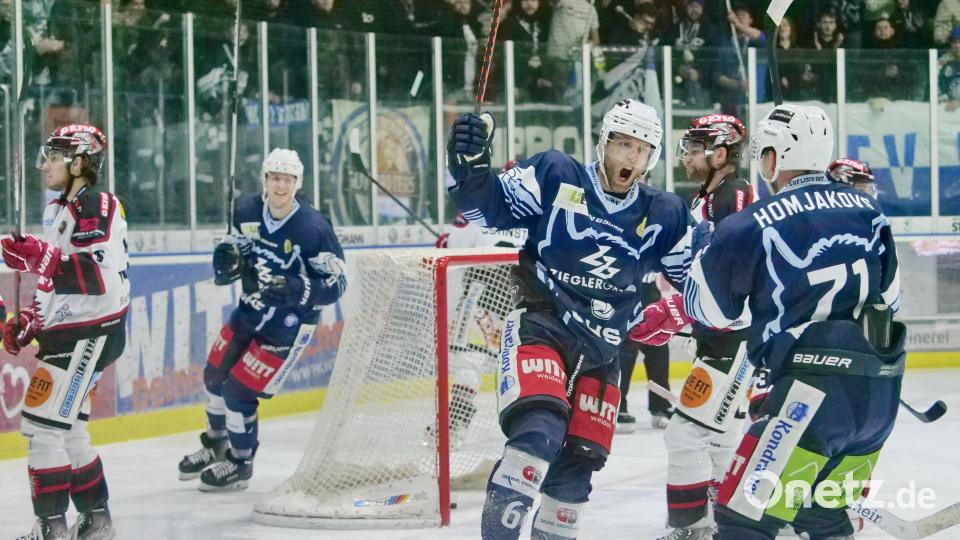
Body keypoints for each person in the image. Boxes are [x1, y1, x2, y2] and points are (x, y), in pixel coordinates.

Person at [632, 103, 903, 540]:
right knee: (820, 518)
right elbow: (891, 299)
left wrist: (707, 261)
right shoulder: (871, 214)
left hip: (808, 400)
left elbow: (714, 311)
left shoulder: (751, 222)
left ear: (773, 158)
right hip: (880, 398)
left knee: (742, 521)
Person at [446, 99, 691, 539]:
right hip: (544, 326)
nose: (629, 158)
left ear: (652, 157)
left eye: (640, 149)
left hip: (603, 353)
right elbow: (488, 211)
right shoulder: (557, 173)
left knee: (578, 470)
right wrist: (471, 167)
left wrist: (681, 306)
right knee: (536, 436)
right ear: (604, 143)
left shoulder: (665, 213)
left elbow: (702, 279)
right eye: (622, 144)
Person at [178, 148, 347, 491]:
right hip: (249, 310)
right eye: (274, 178)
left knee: (238, 393)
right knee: (214, 375)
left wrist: (299, 289)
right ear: (265, 180)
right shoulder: (246, 210)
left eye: (287, 179)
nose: (280, 185)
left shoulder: (314, 227)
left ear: (297, 183)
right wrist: (227, 261)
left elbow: (338, 283)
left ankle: (241, 462)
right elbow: (237, 250)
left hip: (287, 325)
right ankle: (216, 445)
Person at [2, 124, 128, 540]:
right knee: (70, 430)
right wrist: (31, 322)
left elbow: (98, 279)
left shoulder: (97, 203)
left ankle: (50, 529)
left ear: (80, 163)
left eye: (56, 156)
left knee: (42, 430)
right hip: (74, 335)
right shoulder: (61, 210)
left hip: (88, 336)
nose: (47, 164)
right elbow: (57, 281)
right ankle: (97, 520)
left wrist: (40, 257)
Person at [633, 113, 754, 540]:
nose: (686, 157)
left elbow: (733, 271)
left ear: (720, 154)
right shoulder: (704, 201)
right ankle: (725, 522)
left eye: (694, 149)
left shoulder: (734, 195)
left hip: (733, 341)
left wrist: (679, 310)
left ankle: (690, 527)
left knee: (685, 434)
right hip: (717, 338)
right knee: (721, 437)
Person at [616, 272, 672, 433]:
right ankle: (618, 407)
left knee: (660, 354)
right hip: (626, 304)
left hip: (652, 304)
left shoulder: (654, 248)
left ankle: (661, 406)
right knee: (625, 358)